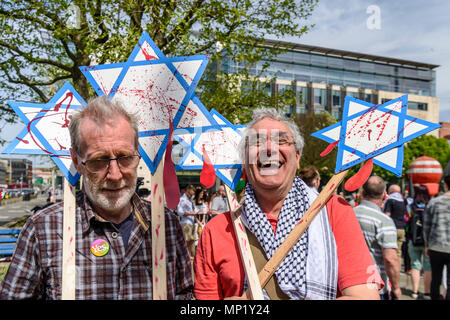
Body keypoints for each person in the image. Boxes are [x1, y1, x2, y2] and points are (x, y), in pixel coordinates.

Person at [0, 96, 193, 300]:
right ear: (77, 161)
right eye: (99, 161)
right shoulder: (44, 229)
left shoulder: (166, 225)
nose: (115, 175)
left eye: (125, 157)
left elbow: (185, 295)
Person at [194, 107, 382, 300]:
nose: (269, 149)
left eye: (281, 140)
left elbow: (364, 296)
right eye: (257, 142)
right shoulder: (217, 230)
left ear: (297, 158)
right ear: (244, 161)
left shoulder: (333, 211)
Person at [354, 176, 402, 300]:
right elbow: (390, 258)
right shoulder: (384, 221)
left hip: (349, 282)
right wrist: (396, 287)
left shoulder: (350, 213)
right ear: (384, 195)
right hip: (374, 284)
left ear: (363, 193)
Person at [423, 167, 450, 300]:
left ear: (445, 184)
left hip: (436, 245)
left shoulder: (434, 202)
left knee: (436, 279)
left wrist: (427, 244)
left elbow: (426, 226)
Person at [404, 185, 432, 299]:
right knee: (428, 267)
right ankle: (426, 292)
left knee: (415, 265)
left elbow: (406, 220)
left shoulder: (411, 206)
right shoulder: (430, 206)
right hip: (428, 242)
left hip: (413, 239)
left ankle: (415, 291)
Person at [383, 184, 407, 263]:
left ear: (390, 191)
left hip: (392, 229)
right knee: (398, 252)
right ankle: (397, 272)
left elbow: (387, 214)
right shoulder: (403, 201)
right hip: (401, 229)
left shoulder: (390, 200)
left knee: (388, 251)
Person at [176, 184, 199, 257]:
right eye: (190, 193)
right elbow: (180, 212)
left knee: (191, 241)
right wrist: (191, 213)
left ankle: (188, 257)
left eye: (192, 194)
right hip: (185, 223)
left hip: (191, 223)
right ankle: (184, 256)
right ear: (187, 191)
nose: (191, 195)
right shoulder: (182, 200)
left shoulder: (190, 200)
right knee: (186, 241)